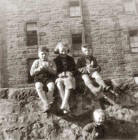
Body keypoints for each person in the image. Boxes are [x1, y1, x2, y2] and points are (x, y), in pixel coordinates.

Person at [30, 46, 57, 112]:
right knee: (38, 87)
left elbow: (55, 72)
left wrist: (48, 68)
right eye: (42, 54)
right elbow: (31, 73)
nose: (44, 55)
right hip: (39, 78)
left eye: (45, 54)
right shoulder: (36, 62)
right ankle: (46, 103)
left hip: (48, 78)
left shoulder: (51, 62)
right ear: (39, 54)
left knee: (51, 87)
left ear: (48, 54)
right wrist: (39, 69)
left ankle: (49, 99)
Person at [54, 41, 76, 114]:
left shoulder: (71, 59)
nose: (64, 52)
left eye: (65, 50)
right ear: (58, 51)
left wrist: (71, 72)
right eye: (62, 51)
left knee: (68, 81)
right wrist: (61, 74)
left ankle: (63, 105)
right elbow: (55, 71)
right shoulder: (55, 60)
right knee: (59, 84)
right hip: (60, 77)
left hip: (69, 77)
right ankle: (66, 105)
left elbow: (75, 70)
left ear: (67, 50)